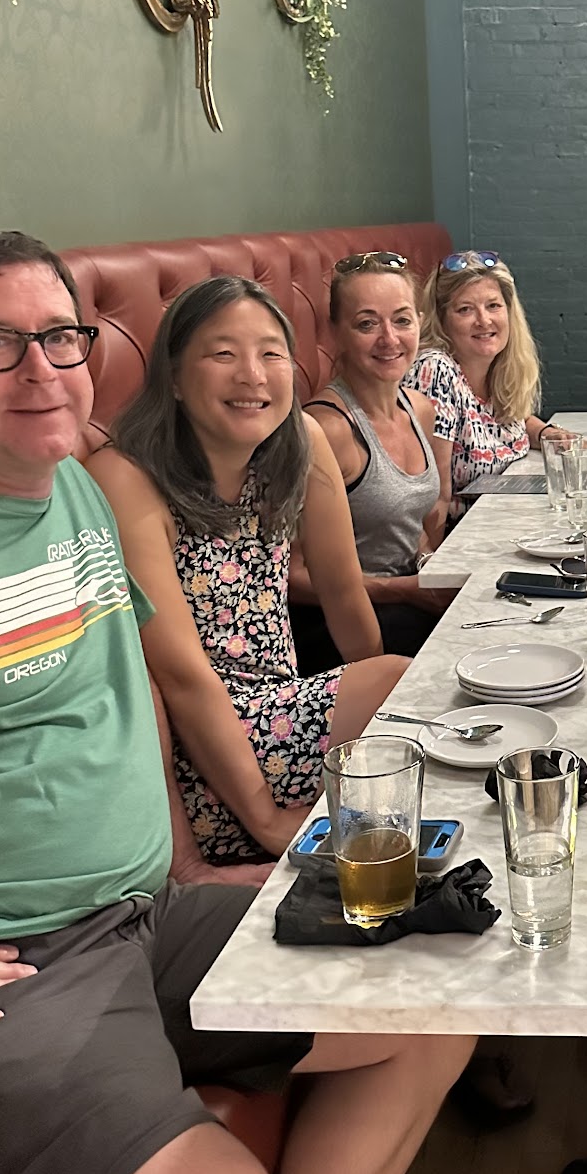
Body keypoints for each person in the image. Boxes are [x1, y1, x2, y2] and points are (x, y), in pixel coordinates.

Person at [0, 229, 473, 1174]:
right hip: (11, 976)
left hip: (142, 921)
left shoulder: (70, 488)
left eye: (61, 337)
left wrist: (181, 861)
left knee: (442, 987)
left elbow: (130, 686)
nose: (41, 370)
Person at [89, 276, 406, 867]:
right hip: (198, 754)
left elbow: (342, 593)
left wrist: (378, 726)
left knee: (413, 705)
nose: (252, 375)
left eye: (270, 353)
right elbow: (181, 679)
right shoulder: (125, 478)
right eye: (223, 354)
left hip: (283, 709)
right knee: (402, 688)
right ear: (174, 378)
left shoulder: (299, 441)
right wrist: (265, 820)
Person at [289, 251, 445, 673]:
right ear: (335, 332)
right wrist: (404, 590)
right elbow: (292, 575)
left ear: (419, 323)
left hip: (405, 600)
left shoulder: (420, 409)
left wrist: (431, 569)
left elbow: (410, 523)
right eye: (366, 324)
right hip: (336, 624)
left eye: (402, 320)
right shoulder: (326, 430)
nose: (389, 339)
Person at [408, 251, 566, 520]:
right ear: (442, 320)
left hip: (506, 521)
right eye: (465, 309)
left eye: (493, 305)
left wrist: (545, 433)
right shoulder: (434, 372)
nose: (484, 320)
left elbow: (509, 419)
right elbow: (434, 498)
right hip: (462, 535)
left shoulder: (493, 369)